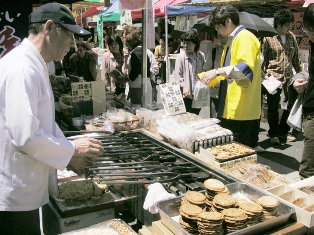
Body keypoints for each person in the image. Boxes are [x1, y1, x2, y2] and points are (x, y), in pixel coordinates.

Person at [0, 3, 104, 234]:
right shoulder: (22, 67)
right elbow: (25, 135)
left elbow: (43, 121)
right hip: (14, 190)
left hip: (23, 184)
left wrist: (69, 155)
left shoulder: (35, 64)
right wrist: (72, 148)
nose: (73, 44)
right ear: (48, 28)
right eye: (69, 34)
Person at [200, 3, 261, 149]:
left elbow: (243, 70)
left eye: (218, 27)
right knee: (230, 151)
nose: (218, 32)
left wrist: (215, 72)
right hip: (231, 107)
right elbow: (231, 73)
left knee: (240, 153)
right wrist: (212, 78)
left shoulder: (245, 38)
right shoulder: (232, 41)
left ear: (228, 21)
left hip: (241, 110)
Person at [261, 9, 302, 145]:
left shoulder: (292, 37)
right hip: (273, 78)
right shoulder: (268, 37)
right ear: (279, 24)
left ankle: (283, 131)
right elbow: (263, 60)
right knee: (273, 107)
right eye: (287, 24)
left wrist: (301, 74)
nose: (289, 27)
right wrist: (264, 77)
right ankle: (273, 133)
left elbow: (296, 58)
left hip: (289, 77)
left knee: (290, 105)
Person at [294, 4, 314, 179]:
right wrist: (303, 83)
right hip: (310, 107)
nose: (308, 34)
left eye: (311, 30)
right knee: (308, 168)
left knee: (308, 167)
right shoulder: (313, 45)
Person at [123, 25, 159, 105]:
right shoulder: (140, 50)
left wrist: (128, 77)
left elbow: (136, 70)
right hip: (142, 85)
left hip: (139, 87)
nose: (123, 39)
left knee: (140, 111)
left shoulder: (137, 52)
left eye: (125, 36)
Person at [174, 29, 206, 115]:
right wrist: (183, 86)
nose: (185, 45)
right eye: (184, 43)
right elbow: (177, 74)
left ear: (195, 44)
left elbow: (204, 71)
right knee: (187, 115)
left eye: (188, 43)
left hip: (198, 91)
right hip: (186, 93)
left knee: (196, 114)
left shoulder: (201, 56)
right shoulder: (181, 57)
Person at [203, 34, 228, 118]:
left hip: (230, 92)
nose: (223, 39)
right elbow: (206, 70)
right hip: (215, 92)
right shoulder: (213, 52)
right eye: (221, 37)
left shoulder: (233, 52)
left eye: (226, 36)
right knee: (215, 120)